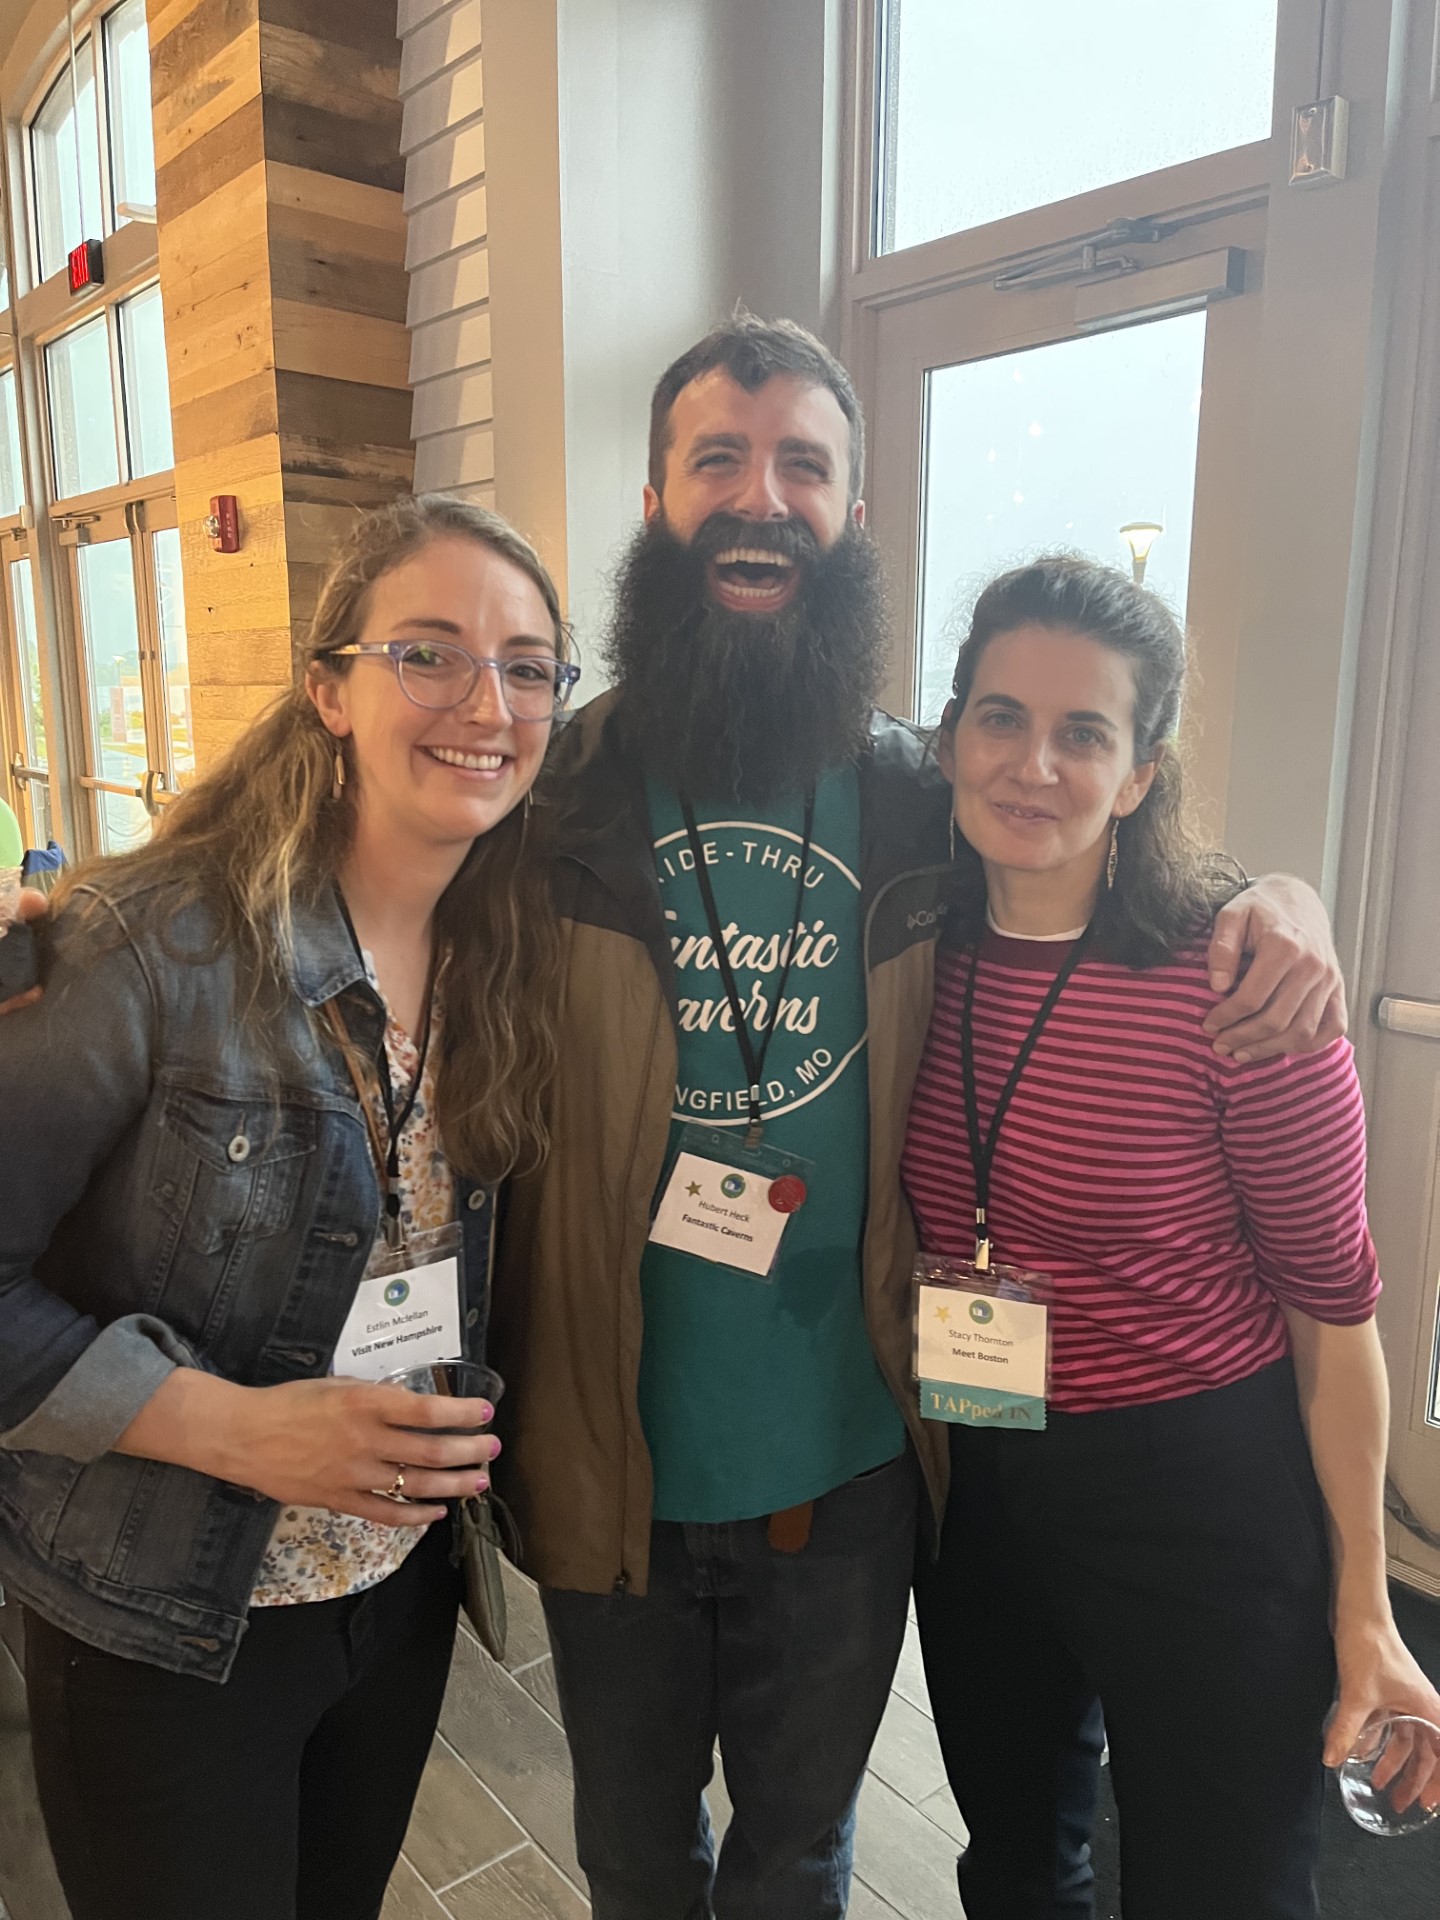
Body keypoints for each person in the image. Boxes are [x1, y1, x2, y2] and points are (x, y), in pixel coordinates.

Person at [484, 314, 1349, 1919]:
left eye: (805, 465)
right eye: (720, 459)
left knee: (802, 1857)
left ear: (852, 518)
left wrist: (1285, 901)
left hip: (860, 1462)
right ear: (659, 496)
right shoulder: (550, 805)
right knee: (632, 1862)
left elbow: (1099, 859)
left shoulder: (914, 804)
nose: (763, 497)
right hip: (611, 1456)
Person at [0, 495, 575, 1920]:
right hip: (167, 1617)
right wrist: (243, 1430)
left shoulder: (507, 948)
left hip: (397, 1593)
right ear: (329, 687)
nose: (483, 704)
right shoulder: (153, 944)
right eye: (427, 654)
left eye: (527, 667)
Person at [903, 555, 1440, 1919]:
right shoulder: (913, 946)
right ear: (951, 733)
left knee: (1222, 1887)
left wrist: (1365, 1607)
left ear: (1141, 773)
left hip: (1202, 1497)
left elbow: (1336, 1313)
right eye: (1000, 718)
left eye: (1086, 733)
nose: (1033, 765)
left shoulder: (1240, 990)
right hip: (991, 1474)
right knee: (1016, 1863)